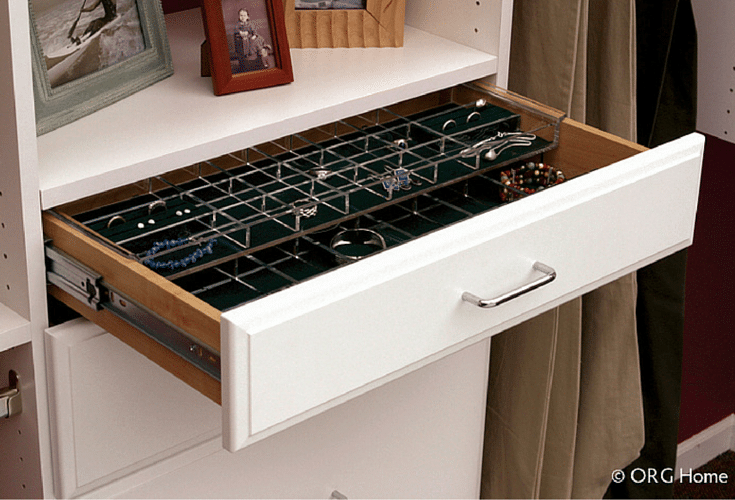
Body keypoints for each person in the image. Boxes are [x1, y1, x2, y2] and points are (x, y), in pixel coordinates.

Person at [233, 8, 271, 72]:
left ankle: (261, 51)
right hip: (243, 39)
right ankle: (257, 51)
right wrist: (241, 33)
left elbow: (254, 32)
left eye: (244, 15)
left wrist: (253, 35)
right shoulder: (238, 25)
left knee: (258, 39)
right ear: (239, 16)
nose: (242, 17)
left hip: (251, 38)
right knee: (246, 41)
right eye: (241, 15)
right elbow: (236, 32)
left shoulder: (250, 24)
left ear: (247, 17)